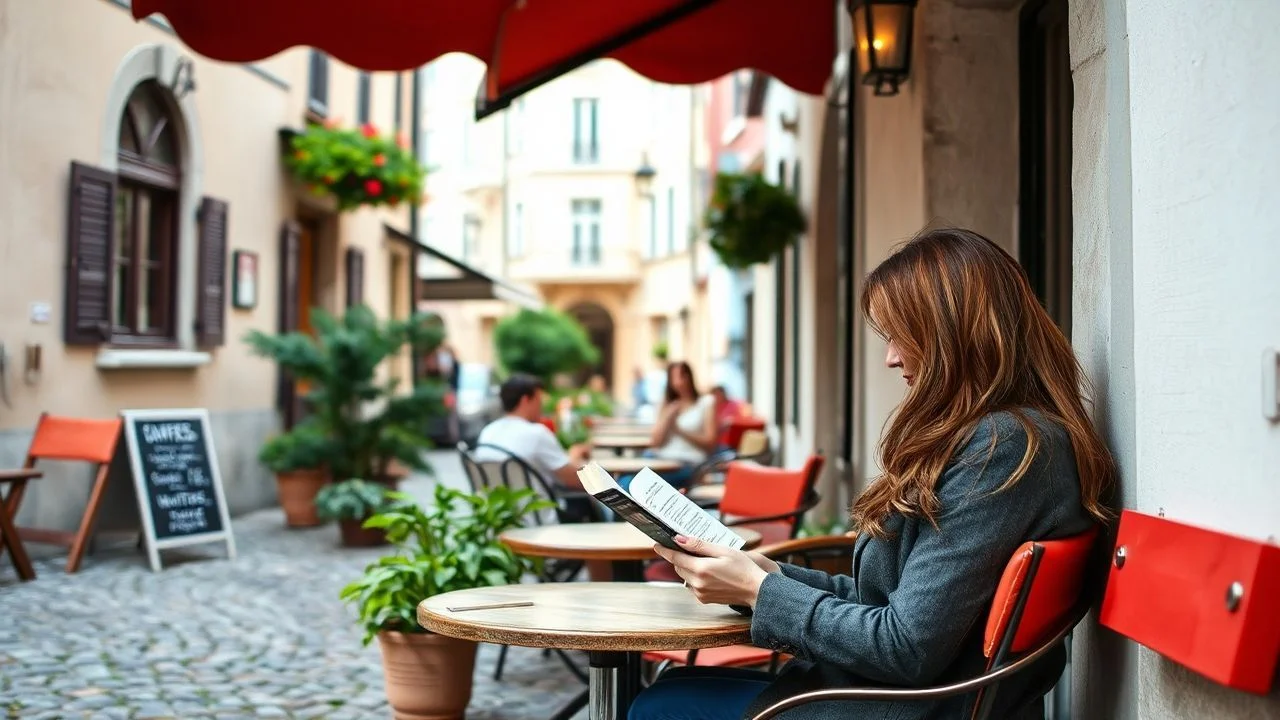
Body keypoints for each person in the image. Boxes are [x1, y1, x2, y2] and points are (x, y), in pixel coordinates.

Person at [627, 228, 1115, 720]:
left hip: (903, 707)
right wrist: (765, 573)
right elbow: (886, 603)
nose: (891, 357)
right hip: (887, 696)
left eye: (901, 335)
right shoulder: (1010, 439)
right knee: (676, 685)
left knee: (662, 703)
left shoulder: (1002, 449)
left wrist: (757, 591)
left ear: (952, 333)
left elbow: (906, 647)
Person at [474, 374, 591, 493]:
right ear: (525, 400)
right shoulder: (536, 433)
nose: (542, 406)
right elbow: (576, 480)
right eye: (539, 400)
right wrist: (573, 456)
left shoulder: (487, 432)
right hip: (536, 509)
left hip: (499, 510)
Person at [624, 361, 718, 491]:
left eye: (682, 376)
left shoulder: (705, 403)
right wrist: (667, 417)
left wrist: (680, 431)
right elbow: (655, 442)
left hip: (688, 464)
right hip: (660, 459)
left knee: (634, 486)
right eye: (674, 378)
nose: (679, 382)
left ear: (690, 377)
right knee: (623, 482)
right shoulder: (667, 404)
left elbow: (710, 444)